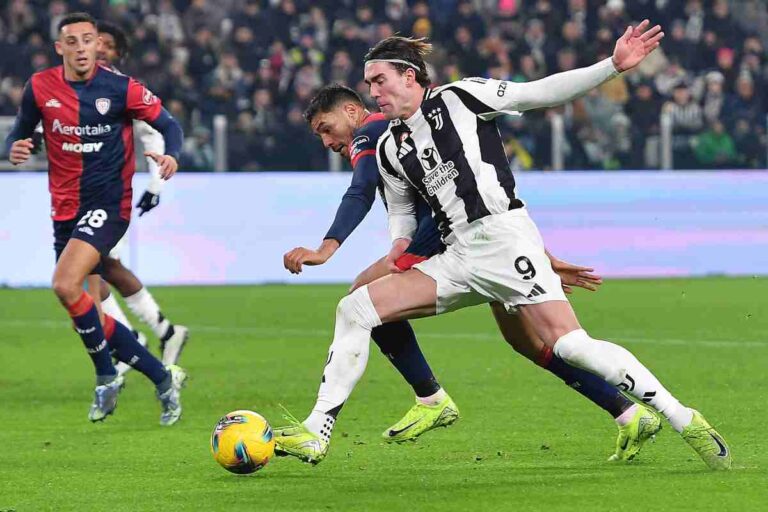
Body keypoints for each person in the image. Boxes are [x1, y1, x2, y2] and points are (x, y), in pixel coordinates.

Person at [275, 25, 732, 471]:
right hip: (456, 256)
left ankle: (681, 416)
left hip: (503, 240)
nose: (373, 91)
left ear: (409, 76)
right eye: (369, 83)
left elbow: (540, 92)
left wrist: (611, 66)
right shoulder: (391, 147)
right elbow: (401, 211)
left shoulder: (461, 97)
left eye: (380, 80)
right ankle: (317, 431)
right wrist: (399, 245)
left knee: (570, 345)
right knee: (355, 308)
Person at [5, 12, 187, 426]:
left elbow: (169, 125)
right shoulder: (40, 86)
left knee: (63, 284)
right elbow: (20, 132)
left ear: (96, 44)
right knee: (86, 314)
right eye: (72, 41)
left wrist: (172, 155)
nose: (82, 48)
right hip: (64, 210)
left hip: (108, 205)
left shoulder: (121, 88)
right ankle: (162, 379)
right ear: (60, 48)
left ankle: (106, 377)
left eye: (88, 40)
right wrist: (15, 146)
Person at [96, 21, 189, 376]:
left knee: (89, 269)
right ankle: (163, 332)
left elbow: (155, 134)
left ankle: (129, 342)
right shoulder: (70, 87)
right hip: (77, 193)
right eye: (94, 42)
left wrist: (156, 185)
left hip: (110, 192)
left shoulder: (124, 89)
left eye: (107, 44)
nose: (99, 49)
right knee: (104, 267)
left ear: (118, 54)